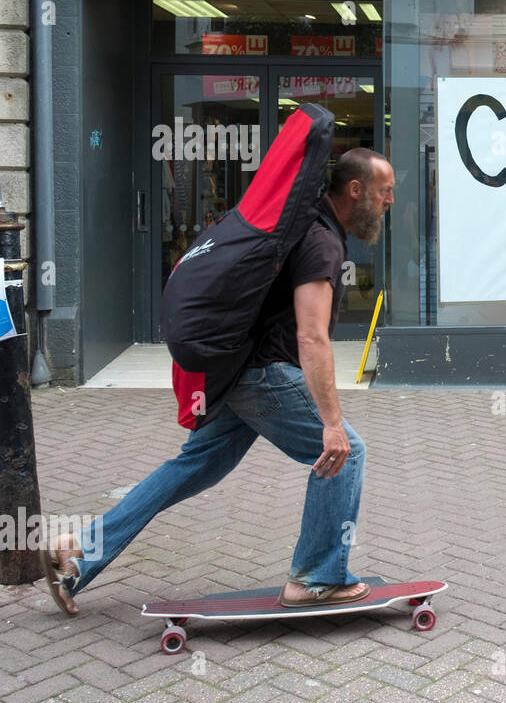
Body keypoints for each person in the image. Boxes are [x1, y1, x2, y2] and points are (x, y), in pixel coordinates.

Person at [42, 148, 396, 614]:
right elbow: (311, 338)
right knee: (344, 455)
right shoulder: (321, 242)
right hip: (263, 376)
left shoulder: (300, 223)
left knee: (193, 467)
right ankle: (316, 578)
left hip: (233, 372)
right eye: (386, 191)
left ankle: (80, 549)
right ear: (356, 190)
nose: (391, 201)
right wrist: (331, 422)